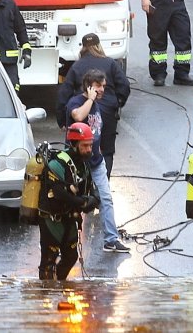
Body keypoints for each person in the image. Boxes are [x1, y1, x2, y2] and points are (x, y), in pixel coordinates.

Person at [66, 70, 131, 253]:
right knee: (72, 200)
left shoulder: (96, 105)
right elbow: (78, 117)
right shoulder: (76, 102)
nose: (102, 89)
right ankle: (65, 240)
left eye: (103, 86)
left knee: (105, 198)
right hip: (77, 164)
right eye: (98, 86)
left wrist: (99, 150)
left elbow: (96, 131)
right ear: (88, 87)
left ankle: (111, 240)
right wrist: (90, 99)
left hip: (96, 161)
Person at [58, 33, 130, 171]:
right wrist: (116, 103)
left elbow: (64, 94)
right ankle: (104, 180)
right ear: (98, 46)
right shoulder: (111, 63)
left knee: (79, 149)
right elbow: (124, 86)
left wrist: (62, 120)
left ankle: (81, 178)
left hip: (84, 112)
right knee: (107, 150)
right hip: (107, 113)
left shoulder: (77, 66)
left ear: (83, 47)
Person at [38, 122, 100, 280]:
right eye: (85, 145)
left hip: (70, 218)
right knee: (48, 261)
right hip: (52, 219)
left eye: (90, 145)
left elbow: (91, 186)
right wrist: (82, 203)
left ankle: (59, 285)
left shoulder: (83, 164)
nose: (89, 149)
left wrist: (93, 199)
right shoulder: (57, 164)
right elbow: (59, 193)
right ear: (74, 144)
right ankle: (46, 291)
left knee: (71, 256)